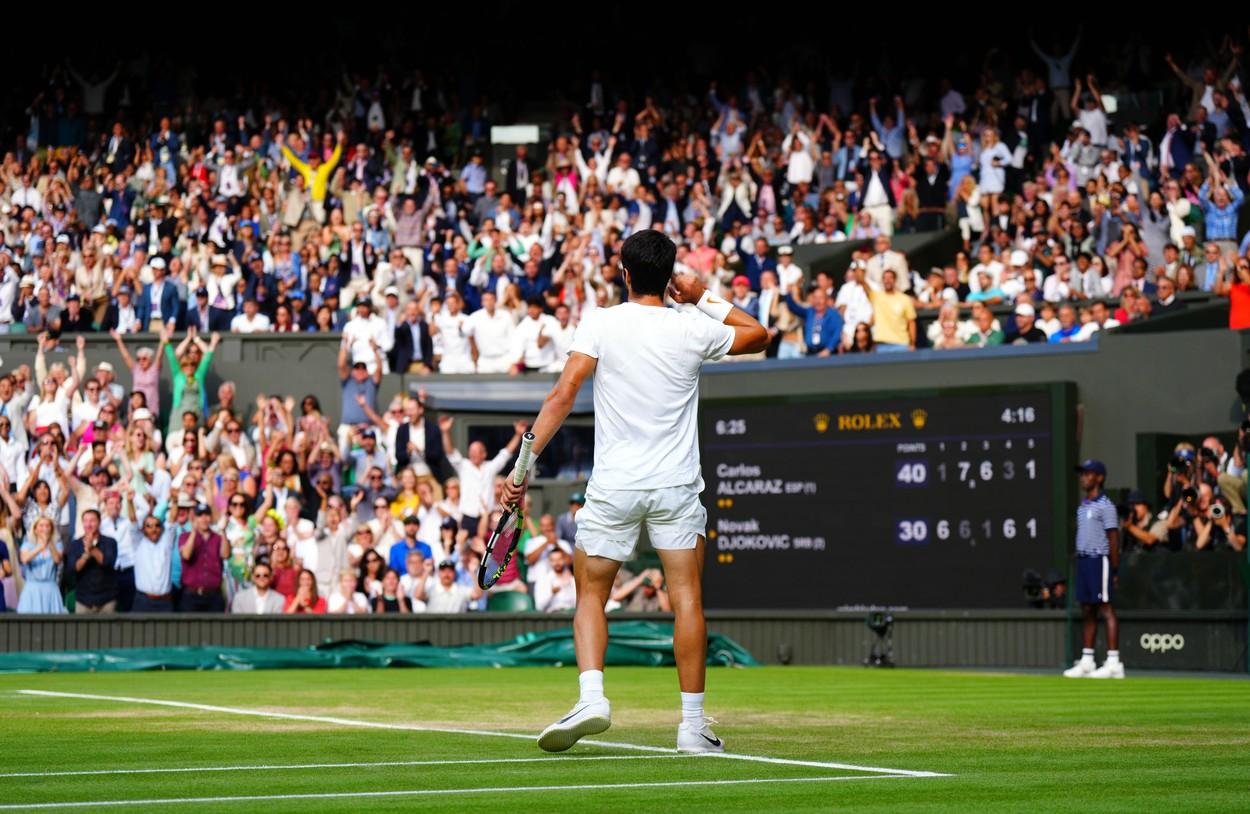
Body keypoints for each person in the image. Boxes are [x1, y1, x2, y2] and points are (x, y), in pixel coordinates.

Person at [499, 229, 767, 753]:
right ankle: (692, 726)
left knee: (591, 595)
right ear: (669, 278)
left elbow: (563, 393)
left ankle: (592, 696)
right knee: (687, 598)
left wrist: (522, 465)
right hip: (674, 486)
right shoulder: (693, 326)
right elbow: (757, 333)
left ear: (623, 274)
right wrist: (700, 296)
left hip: (616, 487)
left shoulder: (600, 322)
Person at [1063, 460, 1124, 680]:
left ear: (1099, 478)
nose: (1083, 478)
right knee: (1087, 609)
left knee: (1106, 609)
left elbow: (1113, 539)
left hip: (1101, 560)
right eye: (1082, 474)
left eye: (1088, 474)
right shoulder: (1083, 506)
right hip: (1084, 561)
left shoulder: (1106, 506)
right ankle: (1087, 661)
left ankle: (1114, 662)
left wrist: (1114, 570)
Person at [65, 509, 118, 614]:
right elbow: (73, 568)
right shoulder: (75, 544)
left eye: (92, 521)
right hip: (83, 600)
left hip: (107, 599)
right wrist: (86, 555)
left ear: (99, 522)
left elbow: (108, 562)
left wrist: (92, 549)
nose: (88, 524)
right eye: (85, 521)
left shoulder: (110, 542)